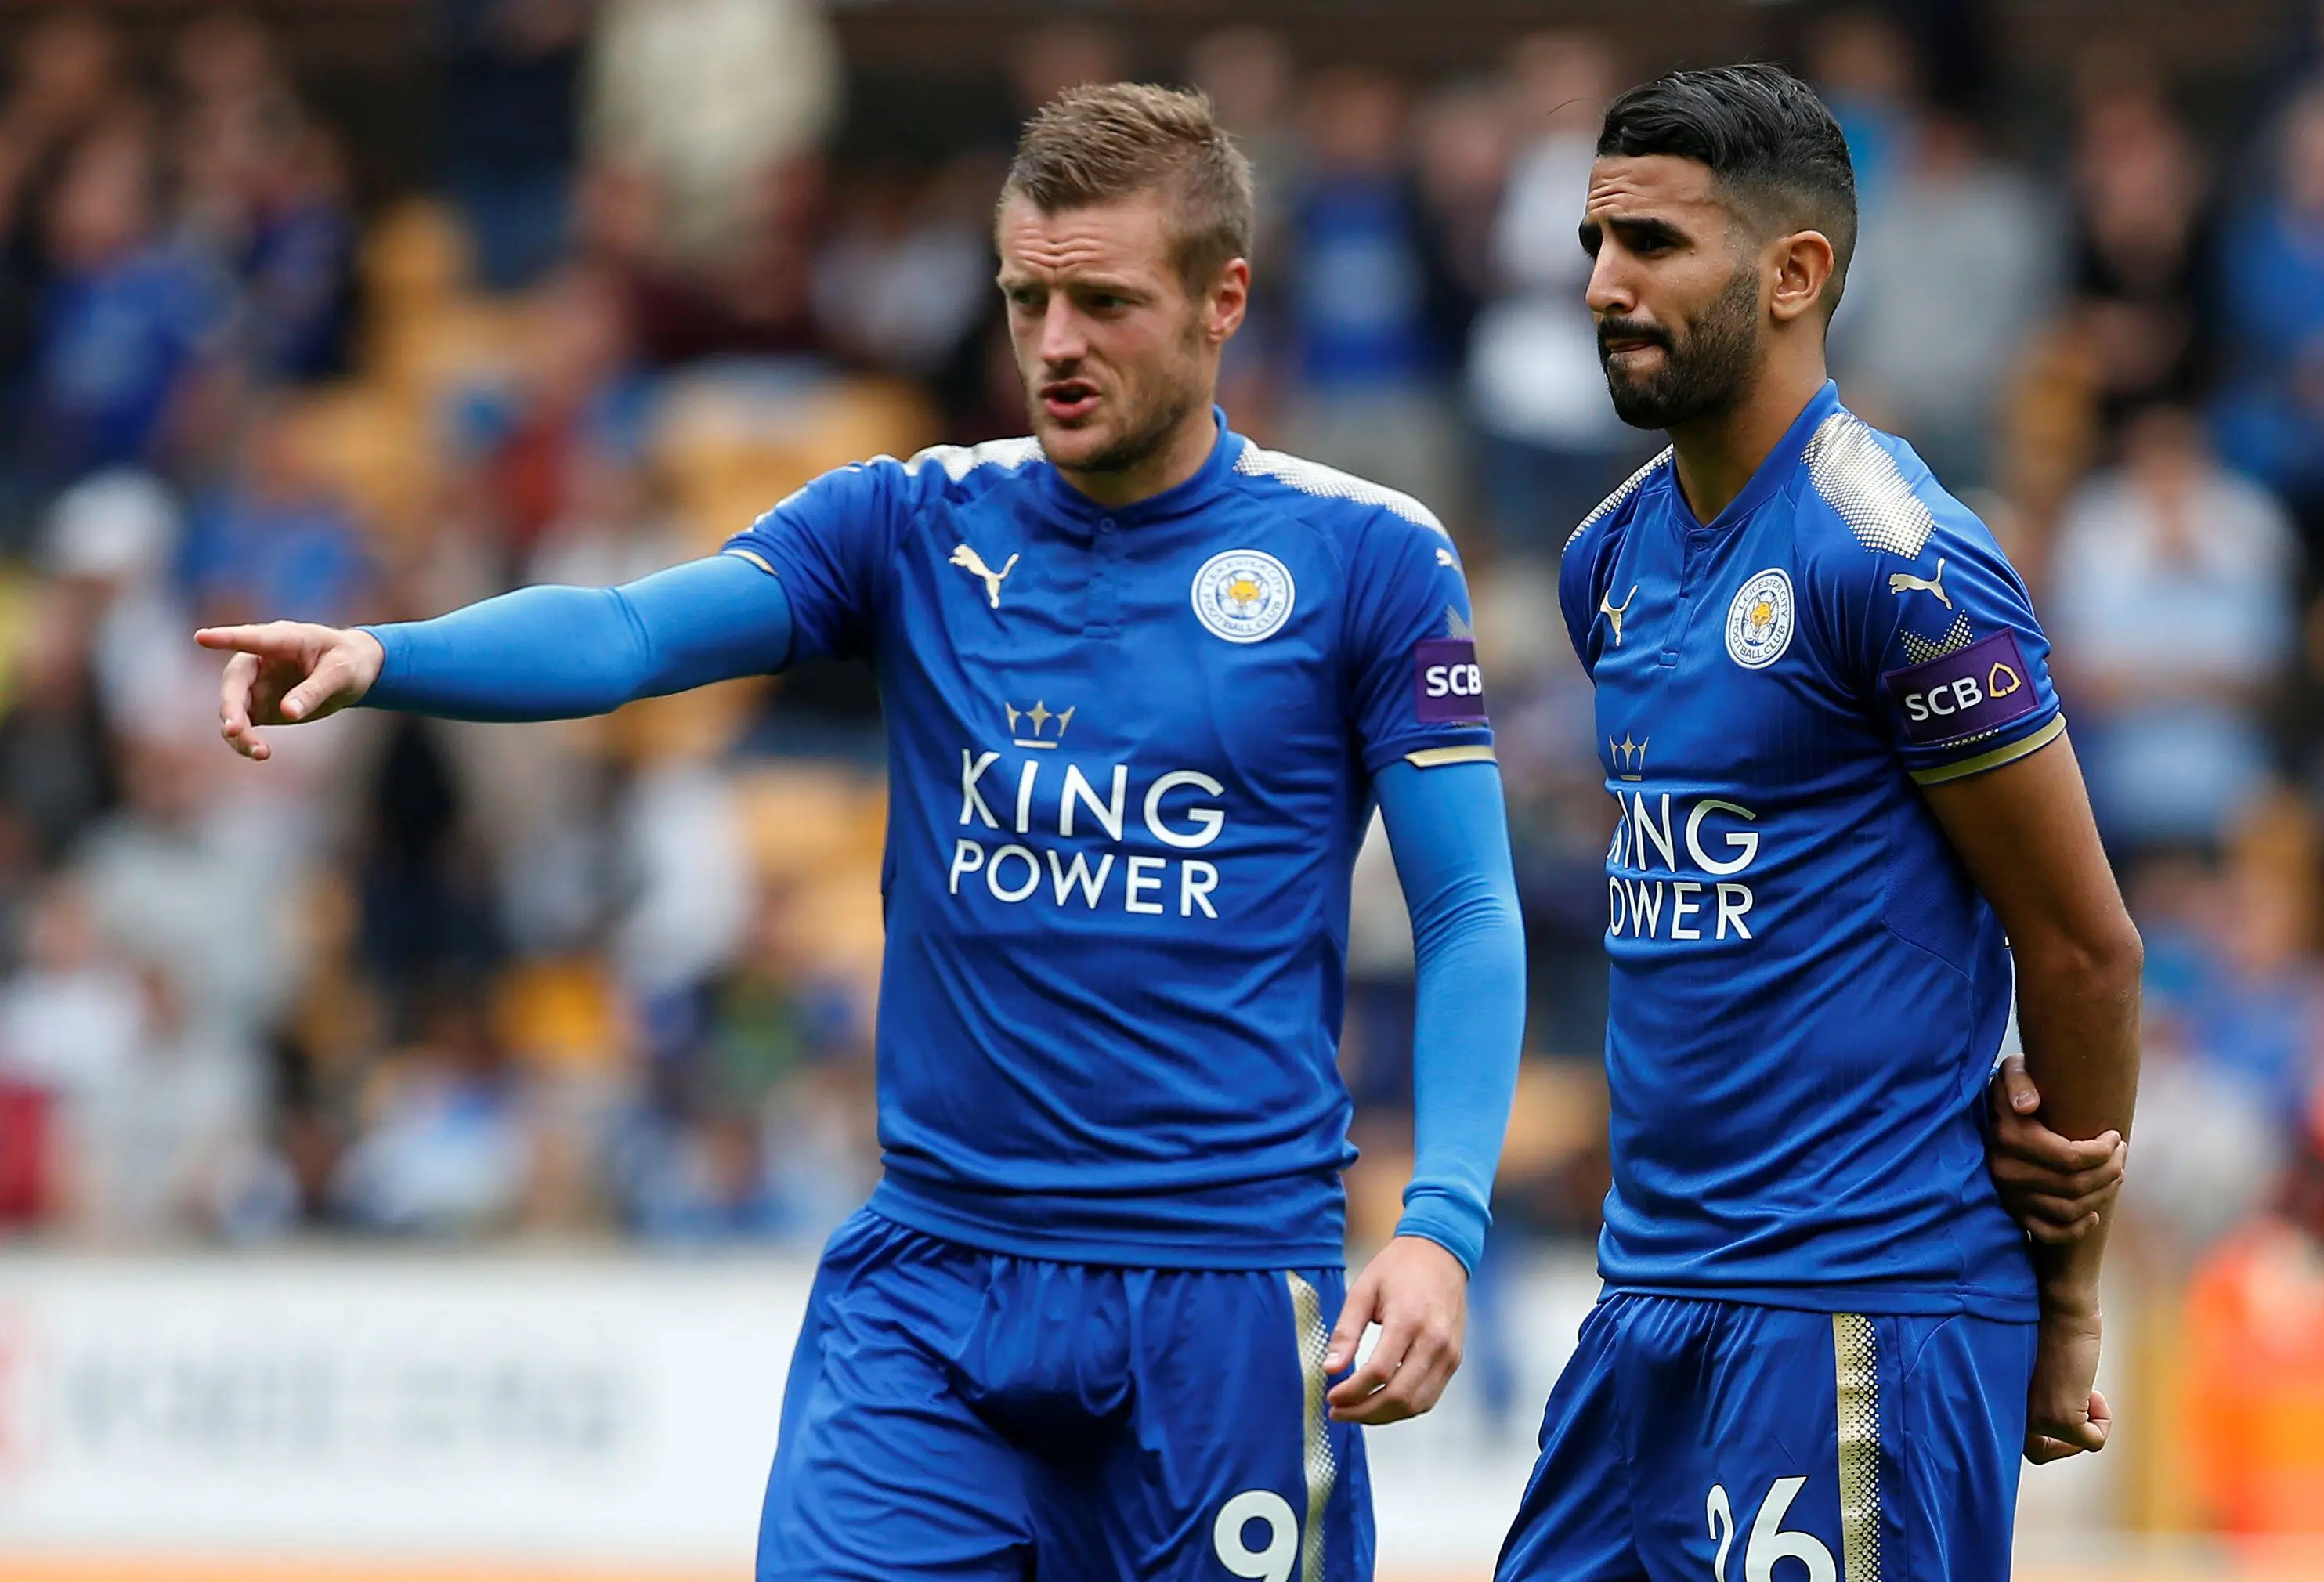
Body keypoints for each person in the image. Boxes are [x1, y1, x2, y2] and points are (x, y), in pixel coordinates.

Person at [197, 85, 1527, 1580]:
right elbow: (633, 633)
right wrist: (390, 655)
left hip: (1219, 1305)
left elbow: (1469, 908)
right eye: (1026, 298)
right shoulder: (911, 525)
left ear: (1223, 301)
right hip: (933, 1296)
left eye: (1104, 301)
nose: (1055, 344)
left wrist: (1440, 1224)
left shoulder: (1365, 557)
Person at [1498, 66, 2141, 1580]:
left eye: (1653, 245)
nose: (1602, 285)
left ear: (1795, 275)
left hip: (1860, 1303)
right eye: (1595, 244)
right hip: (1645, 1296)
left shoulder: (1901, 560)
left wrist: (2071, 1299)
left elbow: (2082, 950)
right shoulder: (1609, 562)